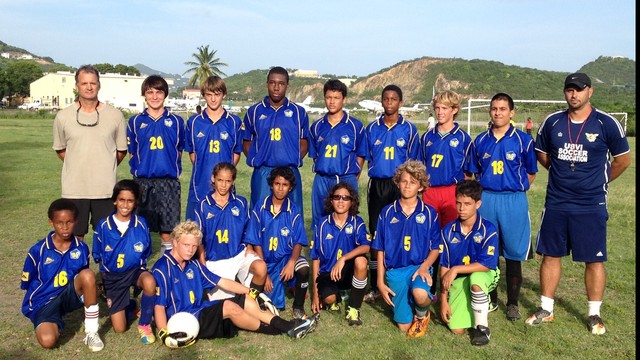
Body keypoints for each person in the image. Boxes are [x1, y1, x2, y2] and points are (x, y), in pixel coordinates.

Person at [526, 73, 631, 335]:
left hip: (590, 203)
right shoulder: (552, 122)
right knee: (550, 255)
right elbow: (542, 152)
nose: (574, 95)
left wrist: (600, 181)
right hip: (557, 201)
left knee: (594, 260)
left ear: (590, 92)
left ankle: (594, 313)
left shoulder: (607, 123)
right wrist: (560, 173)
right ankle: (546, 308)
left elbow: (622, 160)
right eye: (570, 90)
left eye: (579, 90)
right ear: (565, 93)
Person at [153, 221, 318, 348]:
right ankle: (283, 328)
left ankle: (289, 326)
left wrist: (255, 293)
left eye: (194, 246)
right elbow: (159, 306)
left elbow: (222, 282)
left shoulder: (194, 265)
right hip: (185, 321)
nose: (190, 250)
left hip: (200, 310)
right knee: (229, 307)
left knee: (245, 299)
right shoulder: (162, 268)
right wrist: (164, 334)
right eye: (186, 245)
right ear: (174, 242)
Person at [468, 92, 538, 321]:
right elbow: (472, 173)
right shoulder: (480, 140)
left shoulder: (524, 140)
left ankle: (513, 303)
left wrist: (514, 188)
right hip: (487, 198)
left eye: (502, 109)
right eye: (494, 108)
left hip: (513, 200)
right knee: (489, 251)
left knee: (513, 253)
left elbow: (530, 173)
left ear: (511, 112)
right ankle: (492, 298)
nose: (498, 113)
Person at [52, 64, 127, 239]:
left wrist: (104, 164)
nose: (89, 87)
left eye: (93, 83)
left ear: (99, 85)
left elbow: (121, 151)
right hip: (74, 189)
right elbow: (61, 149)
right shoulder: (63, 116)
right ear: (77, 86)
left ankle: (105, 268)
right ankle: (77, 268)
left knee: (107, 238)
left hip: (106, 190)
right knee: (75, 238)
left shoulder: (115, 115)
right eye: (84, 83)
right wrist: (78, 163)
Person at [21, 199, 103, 351]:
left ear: (76, 221)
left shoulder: (82, 248)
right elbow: (27, 284)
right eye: (59, 223)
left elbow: (83, 277)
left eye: (69, 222)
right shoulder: (37, 250)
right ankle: (51, 322)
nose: (65, 227)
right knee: (48, 341)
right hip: (43, 302)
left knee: (88, 275)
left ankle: (92, 332)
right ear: (51, 222)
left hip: (67, 295)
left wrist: (91, 293)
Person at [371, 160, 440, 338]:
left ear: (421, 187)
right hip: (395, 271)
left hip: (419, 267)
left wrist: (425, 267)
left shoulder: (429, 213)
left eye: (413, 182)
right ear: (397, 182)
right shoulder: (387, 212)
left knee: (420, 293)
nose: (407, 185)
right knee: (403, 326)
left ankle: (422, 314)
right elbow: (379, 249)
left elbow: (435, 248)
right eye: (404, 181)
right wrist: (380, 282)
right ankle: (409, 302)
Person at [364, 84, 419, 302]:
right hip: (378, 184)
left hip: (400, 186)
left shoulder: (410, 129)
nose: (389, 103)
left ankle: (400, 279)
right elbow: (366, 157)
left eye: (393, 99)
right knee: (377, 232)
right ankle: (374, 283)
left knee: (402, 230)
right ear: (381, 101)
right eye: (386, 99)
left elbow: (414, 163)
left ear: (400, 102)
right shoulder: (371, 129)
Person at [418, 90, 474, 299]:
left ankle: (452, 286)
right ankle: (427, 284)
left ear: (455, 110)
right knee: (430, 238)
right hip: (430, 192)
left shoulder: (463, 139)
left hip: (452, 192)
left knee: (452, 238)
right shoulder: (427, 138)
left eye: (445, 108)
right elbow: (420, 166)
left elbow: (469, 173)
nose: (440, 112)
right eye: (437, 108)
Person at [92, 180, 157, 344]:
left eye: (130, 200)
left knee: (149, 281)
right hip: (113, 277)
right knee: (120, 329)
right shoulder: (103, 226)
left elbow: (146, 251)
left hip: (135, 272)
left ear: (135, 203)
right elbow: (98, 254)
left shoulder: (141, 224)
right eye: (121, 200)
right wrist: (104, 278)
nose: (125, 204)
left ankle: (144, 324)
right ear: (115, 200)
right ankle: (130, 306)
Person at [242, 66, 309, 221]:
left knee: (292, 216)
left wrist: (292, 157)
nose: (276, 87)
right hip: (264, 172)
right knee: (260, 216)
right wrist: (259, 158)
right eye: (272, 83)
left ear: (287, 85)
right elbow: (246, 141)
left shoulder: (298, 112)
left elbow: (304, 141)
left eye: (281, 83)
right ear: (267, 84)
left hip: (289, 172)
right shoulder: (254, 111)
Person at [127, 75, 185, 251]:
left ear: (165, 94)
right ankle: (140, 267)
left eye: (158, 92)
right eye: (150, 92)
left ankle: (167, 266)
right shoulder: (136, 121)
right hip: (143, 182)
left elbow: (179, 151)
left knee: (168, 229)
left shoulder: (176, 122)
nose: (154, 96)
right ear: (144, 95)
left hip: (168, 182)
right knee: (140, 227)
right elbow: (132, 153)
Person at [244, 167, 311, 320]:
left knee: (304, 268)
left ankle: (298, 307)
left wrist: (292, 262)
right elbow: (255, 240)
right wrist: (265, 271)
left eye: (285, 185)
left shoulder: (293, 211)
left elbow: (299, 241)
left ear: (291, 187)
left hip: (286, 258)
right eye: (277, 184)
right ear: (271, 185)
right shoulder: (260, 208)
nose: (280, 188)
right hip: (266, 260)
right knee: (272, 306)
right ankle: (271, 286)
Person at [194, 162, 268, 300]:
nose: (223, 185)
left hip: (238, 254)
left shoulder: (240, 203)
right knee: (225, 303)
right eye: (220, 180)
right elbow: (198, 237)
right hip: (214, 260)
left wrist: (249, 247)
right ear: (213, 179)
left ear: (233, 182)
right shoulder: (203, 205)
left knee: (261, 268)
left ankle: (252, 300)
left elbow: (248, 229)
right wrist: (202, 262)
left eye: (228, 181)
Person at [439, 179, 500, 346]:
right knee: (456, 329)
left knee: (476, 280)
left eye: (467, 204)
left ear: (478, 204)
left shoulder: (489, 229)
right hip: (459, 278)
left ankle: (482, 329)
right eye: (458, 203)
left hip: (485, 273)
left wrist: (456, 269)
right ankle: (477, 305)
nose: (461, 208)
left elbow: (486, 264)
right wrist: (443, 300)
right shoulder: (448, 231)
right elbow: (445, 265)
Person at [308, 79, 367, 230]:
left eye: (336, 98)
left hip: (345, 177)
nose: (332, 102)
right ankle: (319, 252)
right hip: (322, 178)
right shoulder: (316, 127)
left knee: (347, 219)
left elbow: (360, 155)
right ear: (324, 98)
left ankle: (348, 252)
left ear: (344, 99)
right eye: (328, 97)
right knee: (320, 218)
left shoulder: (355, 126)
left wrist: (353, 177)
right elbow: (316, 155)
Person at [310, 182, 370, 325]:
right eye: (337, 197)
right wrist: (315, 295)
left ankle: (354, 308)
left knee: (361, 262)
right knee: (329, 299)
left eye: (345, 198)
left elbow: (366, 247)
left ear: (352, 202)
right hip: (328, 273)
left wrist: (343, 258)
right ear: (331, 200)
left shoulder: (357, 222)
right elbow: (316, 259)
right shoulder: (322, 224)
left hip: (347, 271)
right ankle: (336, 297)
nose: (341, 201)